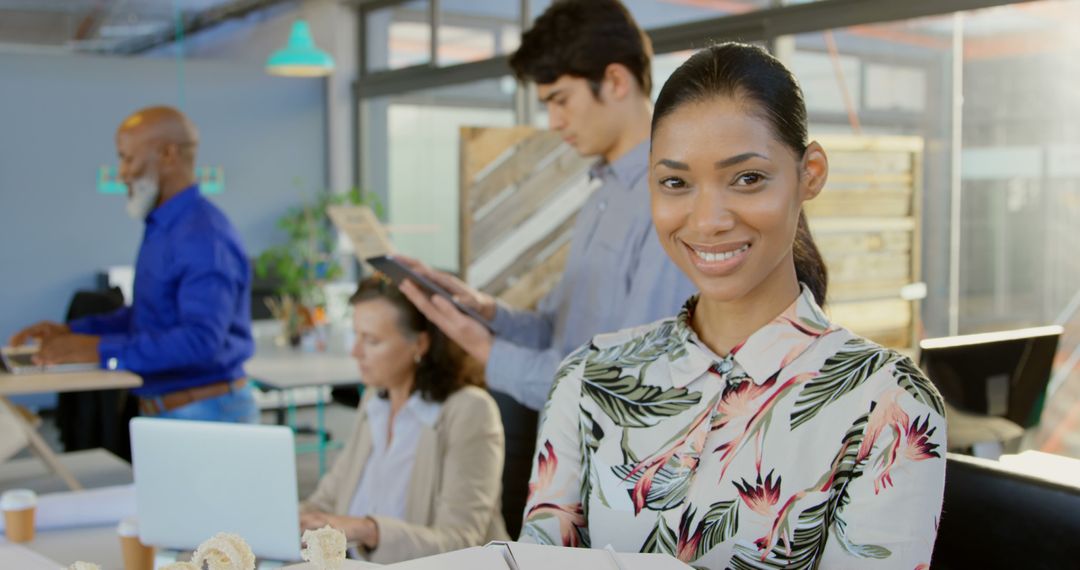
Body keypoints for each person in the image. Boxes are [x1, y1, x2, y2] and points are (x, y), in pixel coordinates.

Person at [519, 43, 947, 569]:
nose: (707, 221)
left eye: (747, 178)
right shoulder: (588, 379)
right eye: (675, 183)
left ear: (809, 173)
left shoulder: (888, 404)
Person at [398, 0, 695, 412]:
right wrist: (485, 312)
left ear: (615, 81)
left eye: (561, 100)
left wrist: (486, 350)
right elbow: (560, 333)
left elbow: (635, 381)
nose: (554, 122)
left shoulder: (671, 198)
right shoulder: (601, 199)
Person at [8, 106, 258, 423]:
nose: (123, 172)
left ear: (168, 154)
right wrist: (72, 332)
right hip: (169, 409)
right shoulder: (162, 227)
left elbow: (200, 341)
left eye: (128, 158)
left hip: (205, 412)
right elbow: (151, 317)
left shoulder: (203, 235)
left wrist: (99, 350)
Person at [300, 276, 507, 564]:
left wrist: (369, 531)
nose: (355, 352)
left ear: (420, 344)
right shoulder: (375, 401)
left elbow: (462, 542)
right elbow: (327, 499)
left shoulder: (469, 411)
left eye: (371, 340)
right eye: (355, 335)